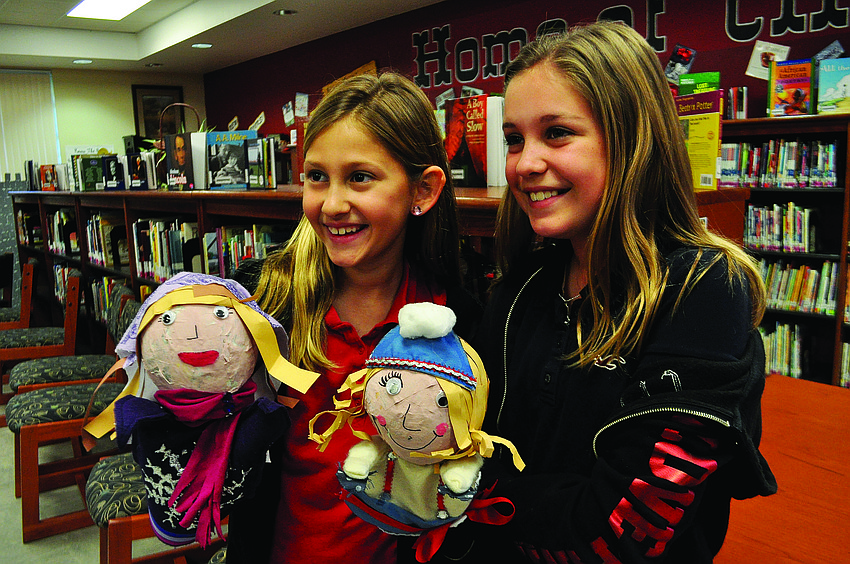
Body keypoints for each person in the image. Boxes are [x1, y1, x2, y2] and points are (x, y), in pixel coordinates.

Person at [460, 21, 777, 563]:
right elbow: (470, 445)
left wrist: (479, 500)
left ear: (632, 137)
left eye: (556, 132)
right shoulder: (520, 290)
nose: (524, 163)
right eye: (514, 139)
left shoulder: (702, 286)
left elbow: (627, 531)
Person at [225, 72, 480, 564]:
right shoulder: (264, 302)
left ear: (422, 191)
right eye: (317, 177)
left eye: (360, 177)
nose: (332, 204)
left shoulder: (459, 319)